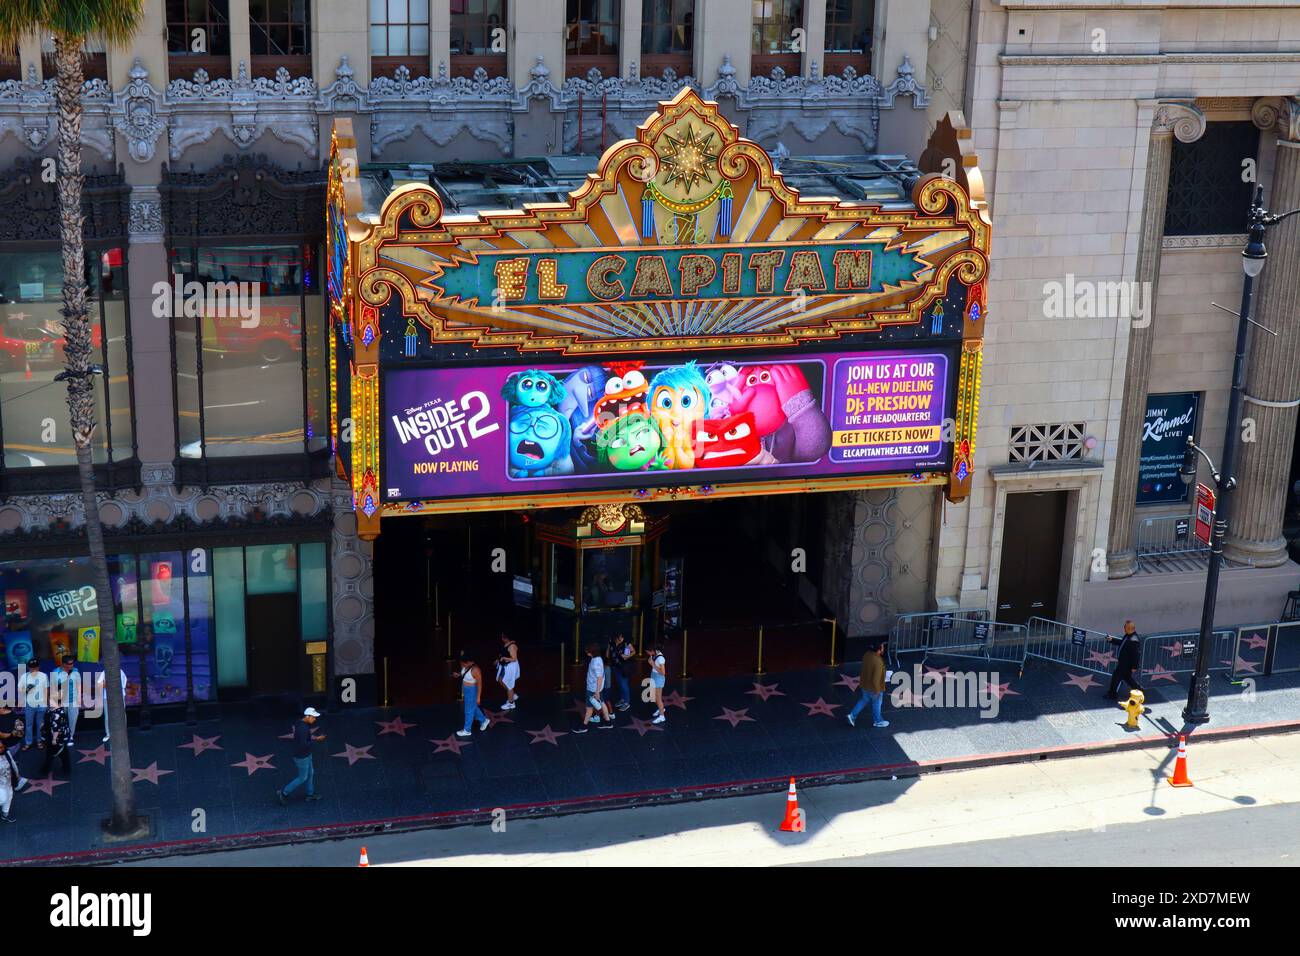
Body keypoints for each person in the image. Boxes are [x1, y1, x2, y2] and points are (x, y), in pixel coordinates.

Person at [277, 707, 326, 804]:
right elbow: (304, 745)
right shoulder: (303, 729)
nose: (315, 719)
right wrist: (317, 739)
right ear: (307, 716)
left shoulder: (301, 722)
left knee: (310, 773)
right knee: (302, 777)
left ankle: (310, 794)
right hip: (302, 756)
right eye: (313, 717)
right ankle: (284, 793)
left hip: (306, 754)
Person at [847, 641, 890, 729]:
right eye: (882, 647)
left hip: (865, 684)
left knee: (864, 699)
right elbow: (875, 679)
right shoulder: (878, 662)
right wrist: (877, 690)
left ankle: (852, 716)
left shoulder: (867, 655)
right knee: (877, 703)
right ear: (879, 650)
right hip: (873, 688)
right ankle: (878, 721)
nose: (883, 648)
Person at [574, 643, 614, 733]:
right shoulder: (598, 658)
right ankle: (608, 722)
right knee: (602, 702)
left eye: (587, 651)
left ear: (591, 652)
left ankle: (584, 726)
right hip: (597, 688)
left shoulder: (595, 663)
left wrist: (596, 692)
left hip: (593, 689)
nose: (586, 652)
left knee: (589, 707)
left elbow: (599, 678)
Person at [1106, 620, 1144, 700]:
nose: (1124, 628)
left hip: (1126, 664)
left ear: (1129, 628)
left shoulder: (1134, 641)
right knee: (1127, 678)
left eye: (1125, 627)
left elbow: (1136, 655)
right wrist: (1111, 640)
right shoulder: (1128, 635)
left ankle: (1112, 694)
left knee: (1116, 677)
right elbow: (1122, 643)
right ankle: (1139, 690)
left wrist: (1134, 667)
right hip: (1124, 663)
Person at [456, 652, 491, 739]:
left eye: (464, 663)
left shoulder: (476, 670)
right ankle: (484, 720)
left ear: (469, 662)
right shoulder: (464, 665)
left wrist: (478, 697)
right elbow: (464, 674)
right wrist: (459, 674)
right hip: (466, 689)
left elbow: (479, 684)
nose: (462, 665)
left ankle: (467, 730)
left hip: (472, 691)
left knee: (468, 710)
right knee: (472, 707)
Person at [18, 658, 47, 751]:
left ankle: (39, 741)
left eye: (35, 667)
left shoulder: (44, 676)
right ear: (28, 668)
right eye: (31, 668)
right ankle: (28, 742)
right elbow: (19, 690)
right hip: (29, 704)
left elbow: (46, 690)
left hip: (41, 704)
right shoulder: (24, 677)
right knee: (29, 724)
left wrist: (46, 702)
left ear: (39, 667)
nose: (34, 670)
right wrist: (26, 690)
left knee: (40, 724)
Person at [50, 656, 81, 741]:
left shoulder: (76, 671)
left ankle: (70, 736)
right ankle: (62, 736)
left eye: (72, 663)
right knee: (61, 720)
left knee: (73, 719)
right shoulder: (55, 672)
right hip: (61, 701)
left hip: (73, 701)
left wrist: (79, 699)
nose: (71, 665)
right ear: (63, 664)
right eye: (69, 664)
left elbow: (78, 686)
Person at [96, 668, 128, 743]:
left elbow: (122, 683)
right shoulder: (104, 672)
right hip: (107, 697)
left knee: (121, 714)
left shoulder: (120, 671)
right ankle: (108, 734)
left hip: (119, 696)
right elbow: (99, 684)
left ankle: (123, 733)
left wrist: (109, 683)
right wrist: (107, 684)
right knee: (107, 716)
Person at [39, 705, 71, 777]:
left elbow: (56, 728)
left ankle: (45, 769)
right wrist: (44, 724)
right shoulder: (51, 709)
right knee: (62, 752)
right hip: (54, 736)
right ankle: (66, 768)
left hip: (55, 737)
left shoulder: (57, 713)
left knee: (51, 753)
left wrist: (54, 739)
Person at [605, 633, 633, 712]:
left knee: (624, 685)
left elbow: (633, 651)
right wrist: (608, 647)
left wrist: (627, 656)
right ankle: (622, 700)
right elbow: (607, 655)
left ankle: (626, 702)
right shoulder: (611, 643)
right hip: (615, 666)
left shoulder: (626, 643)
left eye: (622, 636)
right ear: (616, 637)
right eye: (620, 637)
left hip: (624, 667)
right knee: (620, 684)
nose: (622, 638)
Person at [496, 634, 521, 710]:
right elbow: (503, 653)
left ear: (506, 638)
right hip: (505, 666)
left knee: (509, 684)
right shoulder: (506, 644)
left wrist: (504, 658)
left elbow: (514, 659)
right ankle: (512, 694)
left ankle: (511, 703)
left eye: (503, 636)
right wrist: (498, 660)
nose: (501, 638)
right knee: (500, 679)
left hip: (511, 667)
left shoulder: (512, 646)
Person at [647, 643, 667, 724]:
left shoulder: (660, 658)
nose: (647, 653)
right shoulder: (655, 654)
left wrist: (652, 664)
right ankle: (660, 708)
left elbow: (663, 672)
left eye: (648, 652)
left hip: (658, 678)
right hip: (654, 675)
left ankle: (662, 716)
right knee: (654, 697)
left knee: (658, 698)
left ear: (652, 651)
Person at [0, 741, 17, 823]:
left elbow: (12, 763)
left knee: (9, 796)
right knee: (2, 799)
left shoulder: (6, 753)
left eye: (2, 747)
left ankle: (5, 815)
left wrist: (17, 774)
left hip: (8, 780)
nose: (1, 749)